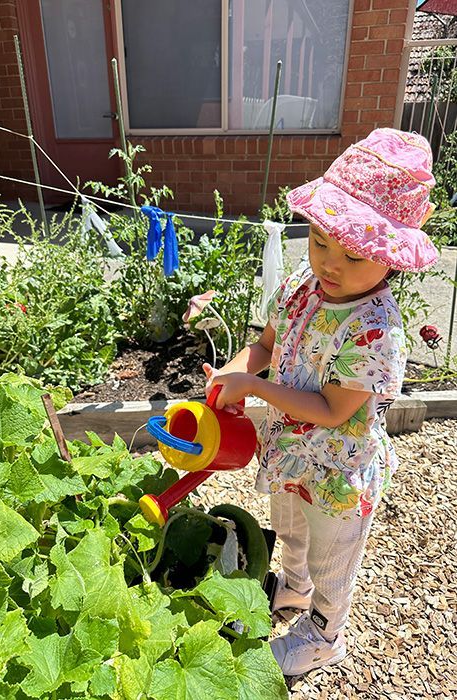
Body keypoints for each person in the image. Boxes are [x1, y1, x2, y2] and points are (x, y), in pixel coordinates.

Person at [202, 128, 438, 676]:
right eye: (320, 240)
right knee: (290, 527)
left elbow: (335, 411)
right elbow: (265, 345)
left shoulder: (375, 328)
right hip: (292, 452)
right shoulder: (303, 287)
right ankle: (292, 588)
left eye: (354, 255)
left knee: (335, 557)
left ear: (391, 259)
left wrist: (257, 389)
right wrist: (233, 375)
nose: (330, 263)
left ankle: (325, 632)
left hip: (339, 469)